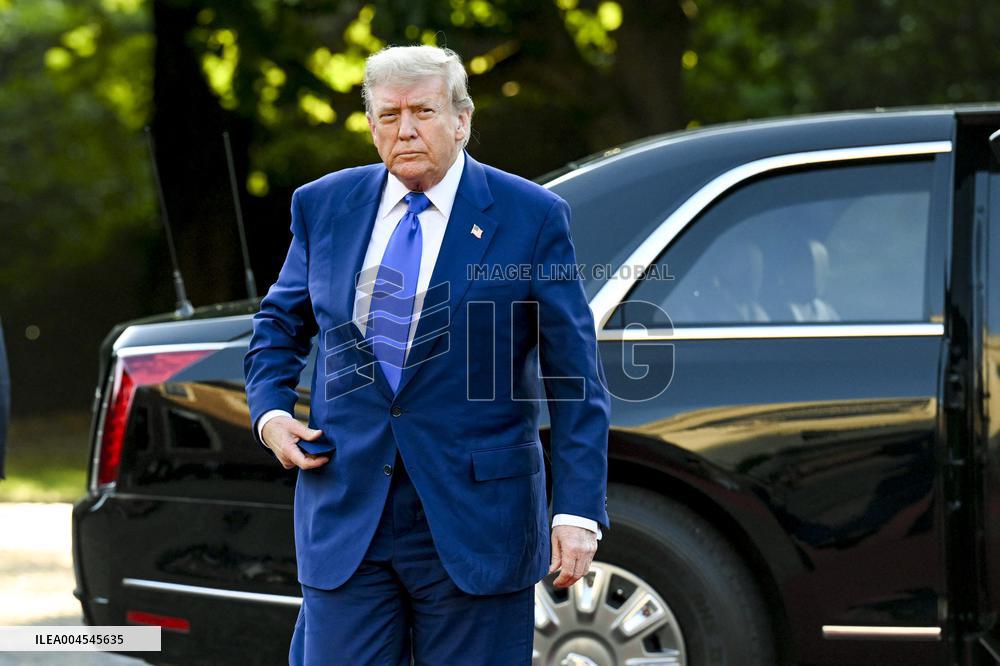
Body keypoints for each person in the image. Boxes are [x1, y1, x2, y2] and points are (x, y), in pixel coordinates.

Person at [244, 44, 610, 665]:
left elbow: (573, 375)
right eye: (389, 115)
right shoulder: (323, 206)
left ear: (462, 119)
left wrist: (576, 511)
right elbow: (279, 324)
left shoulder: (531, 217)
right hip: (348, 507)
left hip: (478, 518)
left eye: (423, 111)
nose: (405, 129)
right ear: (370, 124)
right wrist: (270, 413)